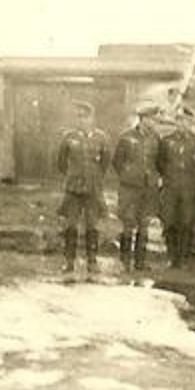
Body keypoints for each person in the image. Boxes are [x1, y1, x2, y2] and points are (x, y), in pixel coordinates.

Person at [55, 100, 111, 276]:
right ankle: (69, 262)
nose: (82, 120)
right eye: (79, 117)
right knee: (71, 226)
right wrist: (73, 175)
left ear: (92, 118)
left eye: (85, 117)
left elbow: (105, 162)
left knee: (92, 226)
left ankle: (92, 262)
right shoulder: (69, 137)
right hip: (73, 190)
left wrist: (94, 177)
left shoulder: (101, 138)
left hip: (93, 190)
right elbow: (61, 162)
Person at [112, 103, 162, 272]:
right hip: (130, 187)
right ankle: (125, 262)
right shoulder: (126, 137)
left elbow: (159, 162)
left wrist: (155, 179)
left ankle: (140, 262)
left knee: (144, 223)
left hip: (148, 188)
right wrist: (128, 176)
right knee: (128, 222)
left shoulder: (156, 137)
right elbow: (117, 162)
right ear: (143, 118)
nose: (155, 122)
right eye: (152, 118)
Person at [158, 106, 195, 268]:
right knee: (169, 221)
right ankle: (171, 256)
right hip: (171, 186)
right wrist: (166, 179)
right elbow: (160, 162)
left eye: (186, 120)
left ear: (191, 122)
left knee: (186, 222)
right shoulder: (166, 141)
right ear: (175, 122)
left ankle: (183, 258)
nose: (182, 124)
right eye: (179, 120)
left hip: (189, 187)